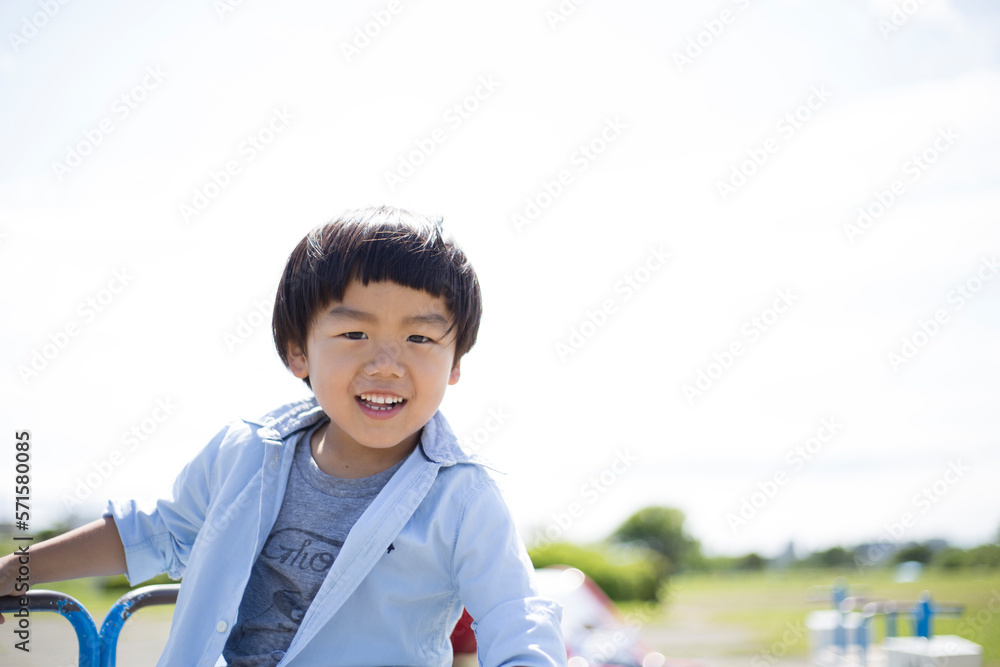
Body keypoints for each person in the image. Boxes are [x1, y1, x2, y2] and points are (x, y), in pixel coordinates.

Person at [0, 206, 565, 666]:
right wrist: (13, 571)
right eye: (354, 333)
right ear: (298, 352)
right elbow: (156, 531)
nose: (386, 365)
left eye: (420, 339)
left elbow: (517, 619)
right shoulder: (244, 452)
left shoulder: (464, 499)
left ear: (456, 362)